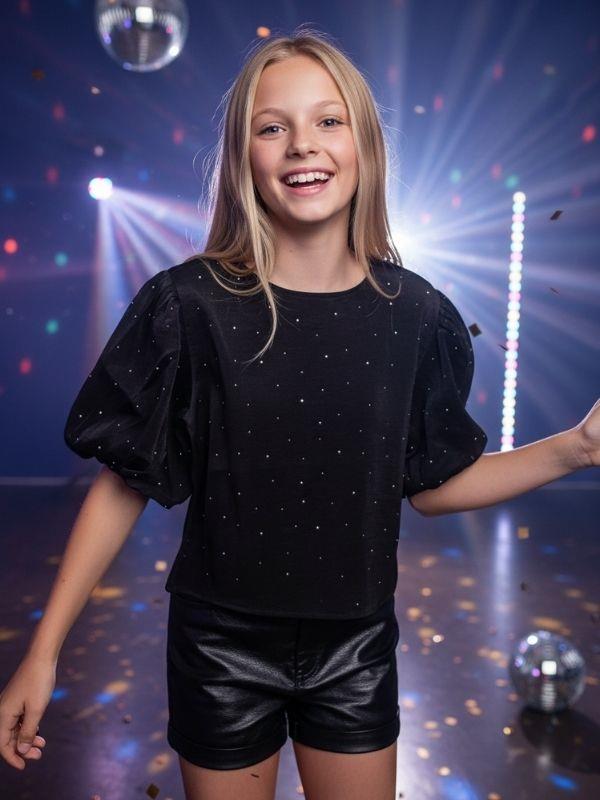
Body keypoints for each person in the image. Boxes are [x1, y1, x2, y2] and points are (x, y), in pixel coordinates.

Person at [1, 25, 598, 800]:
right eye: (272, 127)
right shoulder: (188, 304)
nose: (302, 145)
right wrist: (43, 650)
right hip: (219, 648)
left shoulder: (417, 314)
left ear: (364, 146)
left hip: (356, 646)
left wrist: (578, 448)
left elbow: (430, 485)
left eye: (328, 120)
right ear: (243, 157)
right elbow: (124, 483)